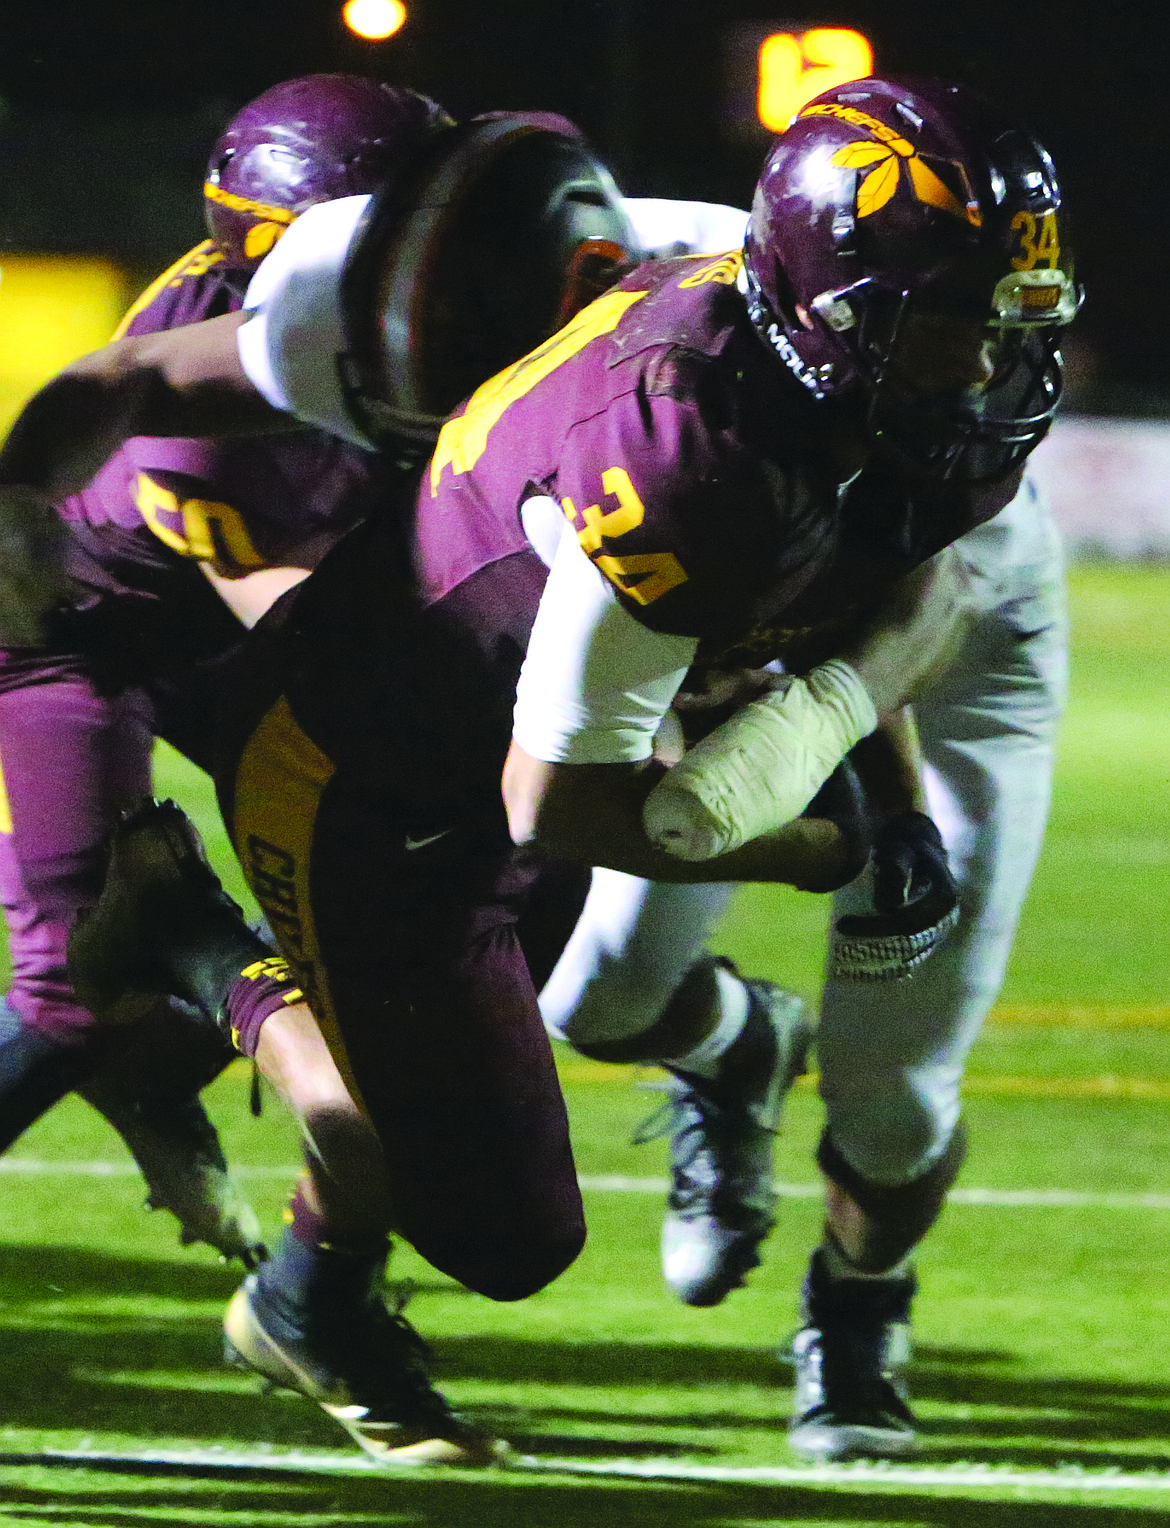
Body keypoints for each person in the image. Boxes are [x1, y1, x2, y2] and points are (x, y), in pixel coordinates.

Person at [4, 76, 1074, 1465]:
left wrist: (832, 758)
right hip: (200, 640)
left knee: (559, 1000)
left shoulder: (749, 333)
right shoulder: (338, 336)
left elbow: (843, 563)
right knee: (198, 1006)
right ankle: (198, 955)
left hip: (529, 651)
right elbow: (310, 631)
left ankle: (329, 1257)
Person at [537, 90, 1071, 1460]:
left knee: (892, 1089)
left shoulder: (886, 400)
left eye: (1005, 315)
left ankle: (856, 1304)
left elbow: (895, 616)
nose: (986, 360)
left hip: (961, 630)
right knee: (594, 998)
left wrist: (889, 807)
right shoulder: (664, 386)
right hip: (793, 635)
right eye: (948, 316)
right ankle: (733, 1047)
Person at [0, 76, 459, 1262]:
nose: (444, 265)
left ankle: (161, 1077)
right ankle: (165, 1063)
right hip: (72, 643)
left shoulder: (409, 314)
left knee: (383, 868)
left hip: (203, 627)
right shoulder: (202, 415)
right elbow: (307, 630)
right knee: (77, 984)